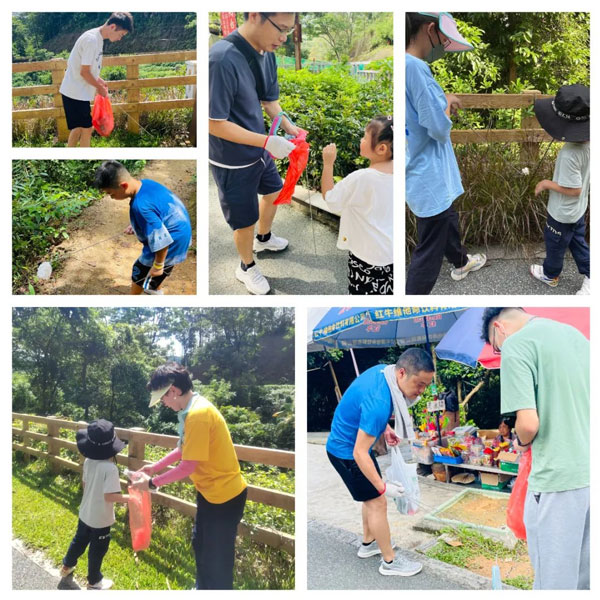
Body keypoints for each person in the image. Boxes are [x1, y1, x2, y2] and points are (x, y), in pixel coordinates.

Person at [481, 308, 589, 590]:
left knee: (554, 582)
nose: (500, 352)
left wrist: (521, 441)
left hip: (557, 479)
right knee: (586, 579)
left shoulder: (517, 344)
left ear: (498, 328)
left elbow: (528, 424)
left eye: (496, 347)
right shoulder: (577, 337)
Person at [131, 363, 247, 590]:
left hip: (224, 497)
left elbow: (188, 466)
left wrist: (152, 483)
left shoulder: (198, 415)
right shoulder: (191, 410)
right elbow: (184, 449)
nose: (163, 403)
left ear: (173, 391)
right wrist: (155, 467)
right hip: (210, 494)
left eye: (162, 398)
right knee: (201, 545)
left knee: (218, 561)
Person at [209, 12, 302, 295]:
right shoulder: (221, 59)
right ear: (254, 15)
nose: (284, 38)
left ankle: (264, 237)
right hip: (231, 157)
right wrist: (267, 142)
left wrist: (290, 127)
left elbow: (269, 100)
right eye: (281, 29)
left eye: (289, 30)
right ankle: (246, 266)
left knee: (273, 192)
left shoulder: (266, 52)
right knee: (244, 219)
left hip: (260, 146)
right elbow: (214, 123)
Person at [326, 348, 434, 576]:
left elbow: (361, 409)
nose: (421, 392)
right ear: (402, 373)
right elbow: (359, 453)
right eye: (419, 384)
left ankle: (369, 544)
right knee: (378, 501)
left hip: (348, 446)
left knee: (370, 498)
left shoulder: (383, 372)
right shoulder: (380, 402)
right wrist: (384, 488)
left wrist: (385, 429)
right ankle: (390, 562)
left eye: (426, 385)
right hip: (347, 453)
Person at [405, 12, 486, 294]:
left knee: (446, 216)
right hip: (428, 174)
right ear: (430, 29)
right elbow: (438, 128)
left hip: (421, 170)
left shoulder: (404, 65)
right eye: (443, 37)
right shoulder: (415, 68)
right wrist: (448, 103)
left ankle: (461, 260)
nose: (442, 45)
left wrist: (443, 99)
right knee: (428, 253)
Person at [94, 160, 192, 295]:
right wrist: (137, 225)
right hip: (181, 231)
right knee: (152, 272)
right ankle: (152, 289)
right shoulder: (145, 184)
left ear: (123, 186)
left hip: (172, 241)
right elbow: (155, 212)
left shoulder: (140, 207)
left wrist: (158, 265)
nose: (111, 198)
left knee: (142, 273)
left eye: (111, 194)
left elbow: (162, 240)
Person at [321, 116, 393, 295]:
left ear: (381, 148)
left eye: (365, 137)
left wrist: (328, 164)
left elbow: (330, 198)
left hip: (365, 255)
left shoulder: (361, 178)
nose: (361, 140)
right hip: (391, 254)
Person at [529, 84, 590, 295]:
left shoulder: (570, 154)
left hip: (562, 213)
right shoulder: (590, 144)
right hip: (578, 211)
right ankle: (591, 274)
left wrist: (546, 183)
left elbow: (574, 189)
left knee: (555, 243)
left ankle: (550, 274)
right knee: (577, 241)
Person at [58, 419, 129, 590]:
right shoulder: (110, 469)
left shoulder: (88, 461)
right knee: (97, 550)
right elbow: (110, 497)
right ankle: (94, 581)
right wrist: (131, 499)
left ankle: (67, 566)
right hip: (101, 519)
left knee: (79, 540)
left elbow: (85, 485)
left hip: (85, 512)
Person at [59, 13, 133, 148]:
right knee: (87, 128)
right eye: (121, 34)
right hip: (75, 93)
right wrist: (99, 88)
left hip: (76, 92)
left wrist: (99, 80)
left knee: (77, 128)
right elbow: (84, 72)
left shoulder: (97, 39)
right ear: (113, 26)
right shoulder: (91, 40)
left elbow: (87, 68)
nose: (120, 38)